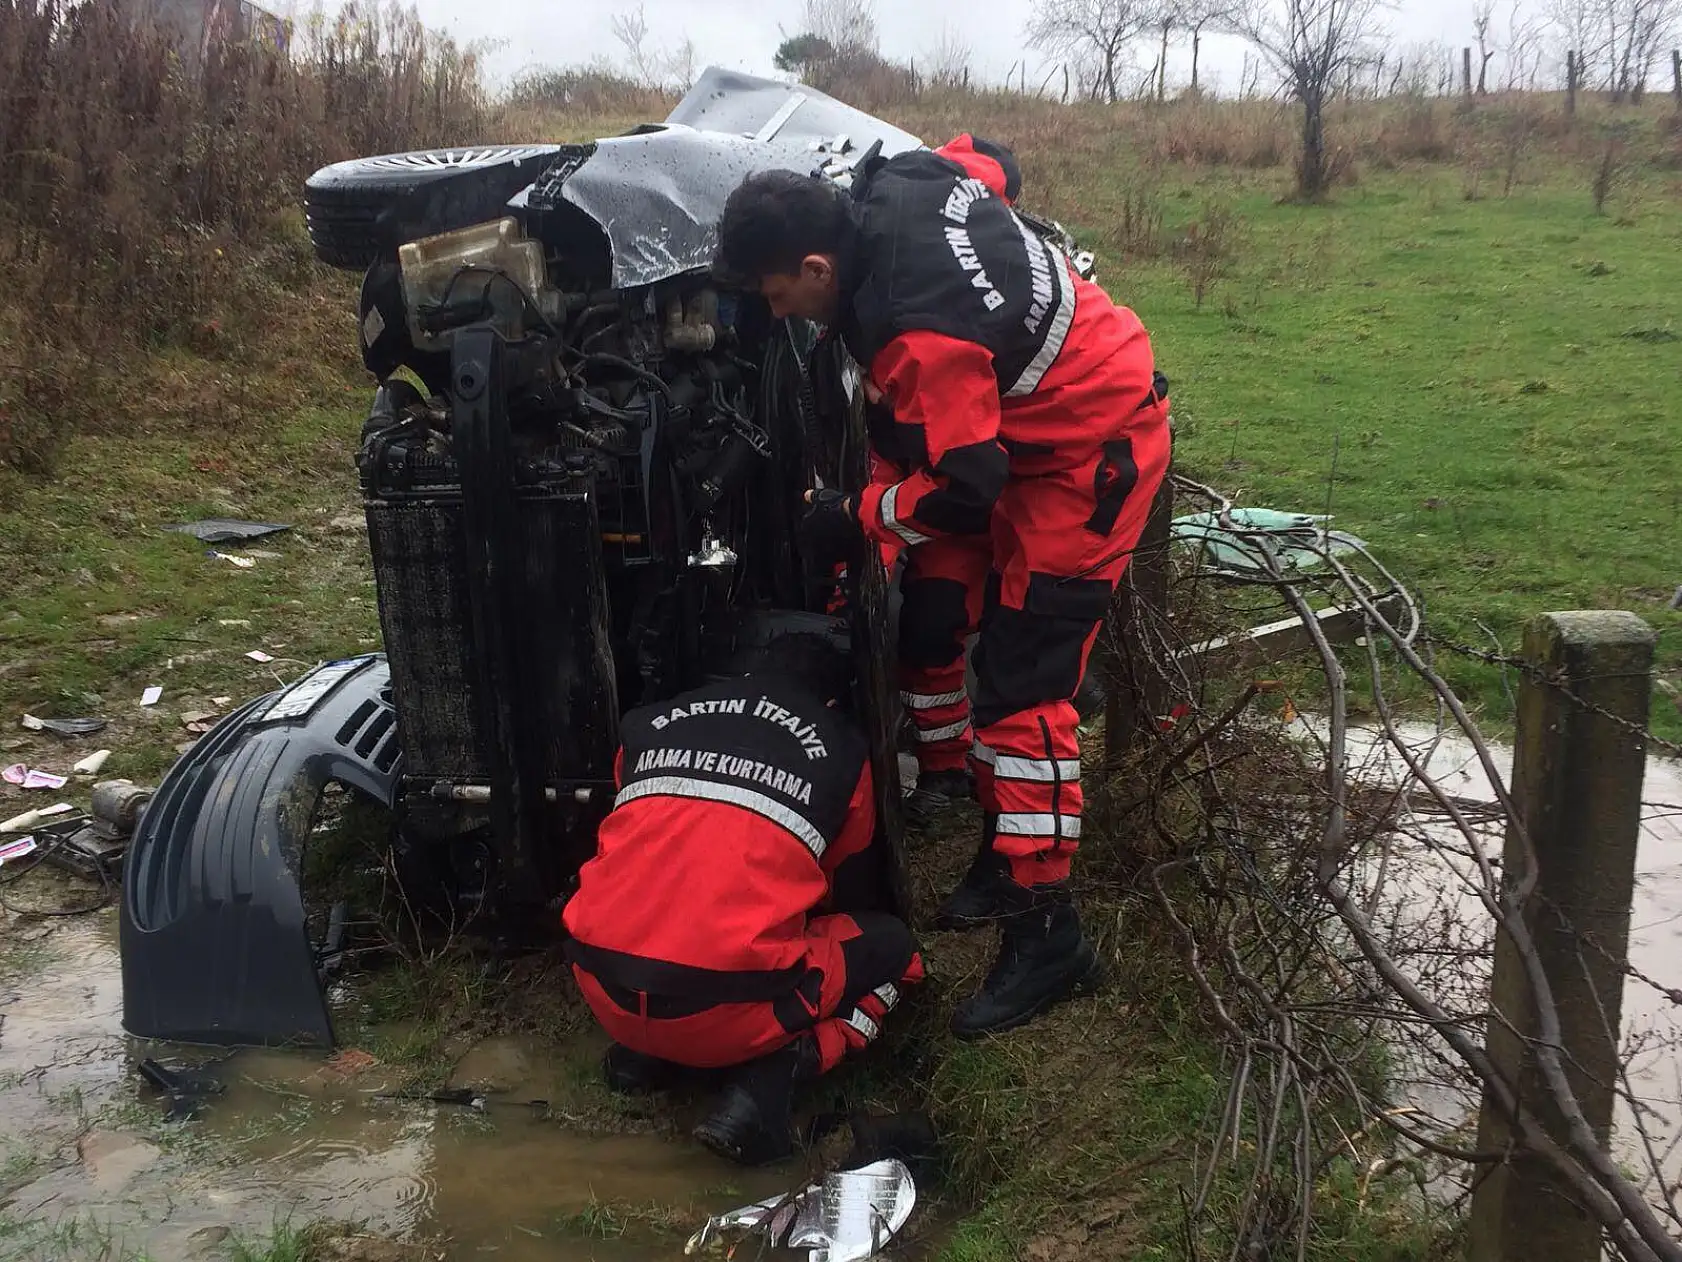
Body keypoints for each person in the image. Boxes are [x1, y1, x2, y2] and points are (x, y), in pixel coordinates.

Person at [714, 134, 1172, 1038]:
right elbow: (992, 158)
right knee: (946, 618)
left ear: (816, 265)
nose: (789, 318)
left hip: (1089, 454)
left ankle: (1050, 934)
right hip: (1030, 429)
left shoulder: (918, 332)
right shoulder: (902, 176)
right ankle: (1006, 849)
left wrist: (860, 516)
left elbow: (968, 482)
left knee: (1022, 691)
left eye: (781, 298)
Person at [560, 630, 923, 1166]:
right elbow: (843, 877)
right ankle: (781, 1071)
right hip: (728, 1012)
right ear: (829, 699)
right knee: (896, 951)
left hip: (601, 987)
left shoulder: (647, 723)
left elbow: (645, 840)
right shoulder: (844, 749)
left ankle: (642, 1058)